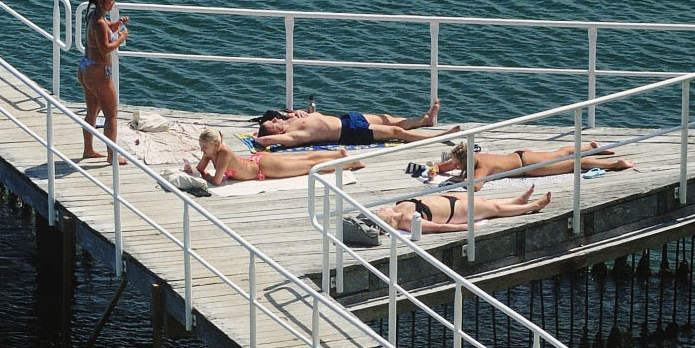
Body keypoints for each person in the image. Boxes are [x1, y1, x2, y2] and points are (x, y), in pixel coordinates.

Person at [254, 98, 458, 148]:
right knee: (395, 131)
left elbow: (318, 117)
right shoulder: (291, 137)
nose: (275, 120)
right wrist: (259, 138)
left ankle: (425, 120)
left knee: (388, 118)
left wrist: (304, 112)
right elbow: (266, 142)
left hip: (347, 118)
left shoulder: (291, 118)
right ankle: (435, 138)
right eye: (273, 124)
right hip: (349, 132)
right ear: (276, 134)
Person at [185, 128, 367, 185]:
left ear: (216, 144)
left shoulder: (223, 152)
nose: (202, 150)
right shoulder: (211, 153)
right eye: (201, 147)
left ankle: (349, 163)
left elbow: (216, 181)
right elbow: (200, 169)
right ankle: (338, 154)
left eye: (205, 147)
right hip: (258, 162)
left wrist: (203, 176)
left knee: (307, 165)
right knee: (303, 160)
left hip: (263, 168)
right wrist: (192, 170)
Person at [78, 0, 129, 162]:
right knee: (111, 115)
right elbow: (105, 48)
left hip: (86, 68)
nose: (113, 2)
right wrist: (122, 38)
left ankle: (88, 150)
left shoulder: (93, 16)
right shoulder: (99, 22)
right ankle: (111, 156)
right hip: (98, 72)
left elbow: (107, 30)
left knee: (92, 111)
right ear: (101, 2)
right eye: (111, 0)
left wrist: (118, 24)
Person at [375, 184, 552, 234]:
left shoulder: (397, 207)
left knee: (484, 201)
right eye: (382, 212)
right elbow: (439, 228)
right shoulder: (407, 222)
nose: (382, 209)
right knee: (495, 209)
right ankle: (533, 206)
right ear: (389, 216)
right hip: (456, 213)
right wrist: (464, 228)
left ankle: (517, 200)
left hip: (448, 199)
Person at [434, 140, 633, 182]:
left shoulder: (482, 166)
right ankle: (591, 147)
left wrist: (454, 180)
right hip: (521, 155)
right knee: (559, 152)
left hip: (528, 167)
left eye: (457, 164)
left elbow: (475, 185)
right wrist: (436, 168)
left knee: (574, 163)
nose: (455, 166)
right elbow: (449, 164)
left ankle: (616, 164)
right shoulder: (475, 158)